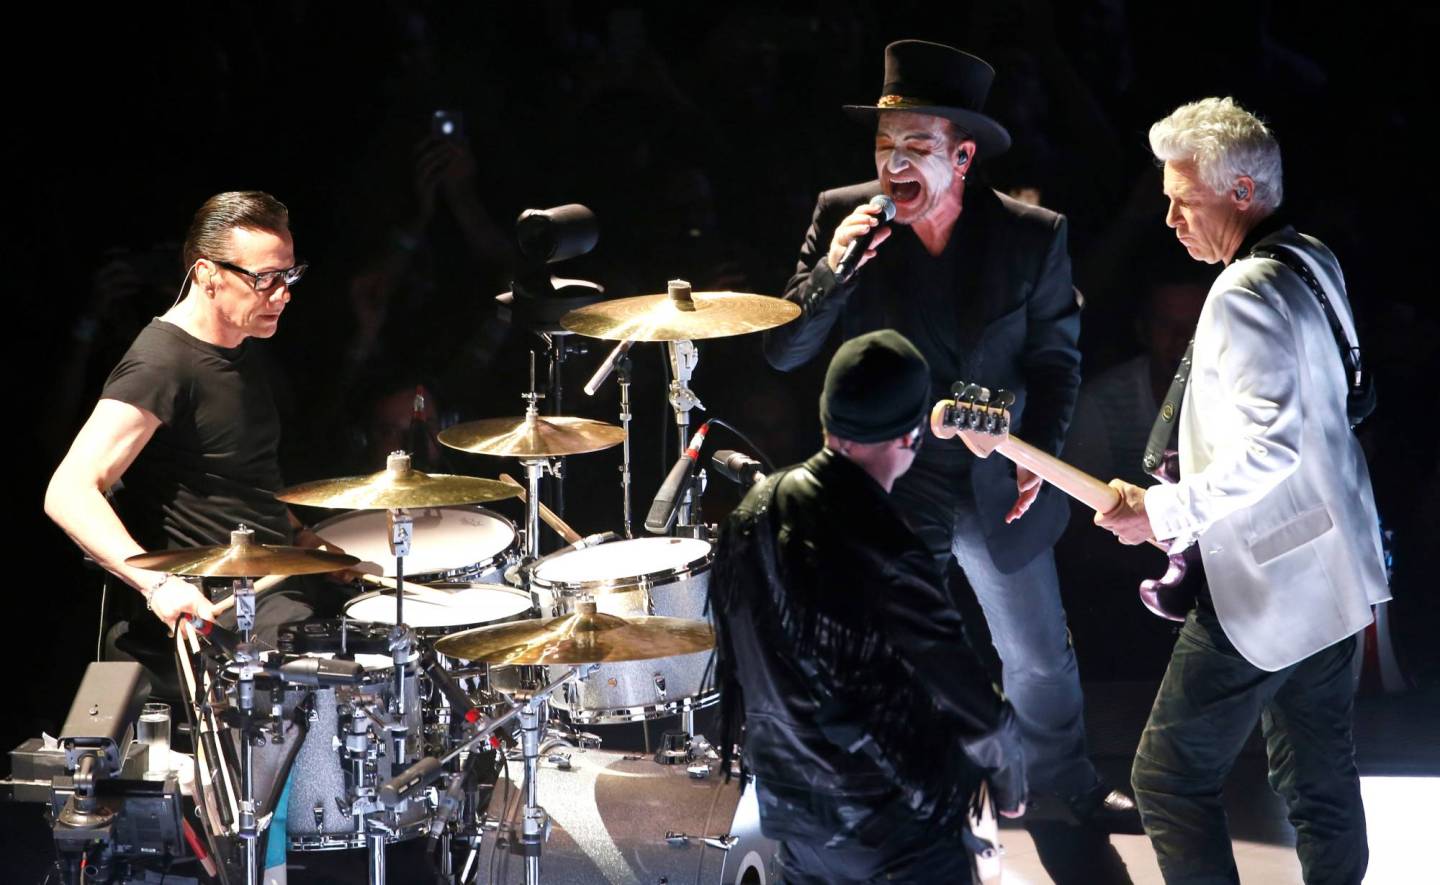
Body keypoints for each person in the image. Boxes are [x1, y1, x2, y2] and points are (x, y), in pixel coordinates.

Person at [763, 39, 1134, 828]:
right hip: (893, 475)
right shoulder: (844, 218)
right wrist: (833, 273)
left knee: (1035, 653)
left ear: (961, 157)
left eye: (916, 146)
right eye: (884, 144)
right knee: (894, 645)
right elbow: (784, 348)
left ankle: (1061, 778)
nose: (894, 161)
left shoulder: (1032, 235)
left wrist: (1039, 451)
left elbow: (1056, 358)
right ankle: (911, 788)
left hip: (996, 473)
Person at [1096, 97, 1389, 884]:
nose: (1168, 218)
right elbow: (1350, 401)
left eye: (1181, 198)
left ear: (1242, 193)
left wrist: (1163, 509)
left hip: (1270, 583)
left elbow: (1274, 447)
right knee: (1319, 780)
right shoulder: (1311, 257)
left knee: (1165, 776)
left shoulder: (1241, 291)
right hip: (1336, 567)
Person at [712, 330, 1026, 885]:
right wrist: (1009, 784)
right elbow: (975, 705)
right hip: (893, 831)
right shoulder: (885, 543)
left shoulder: (750, 514)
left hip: (791, 814)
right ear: (912, 437)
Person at [45, 191, 331, 697]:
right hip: (218, 616)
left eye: (289, 275)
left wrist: (305, 538)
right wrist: (157, 585)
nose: (283, 293)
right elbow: (68, 490)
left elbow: (234, 478)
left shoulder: (242, 344)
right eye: (264, 278)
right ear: (206, 274)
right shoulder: (162, 363)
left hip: (270, 590)